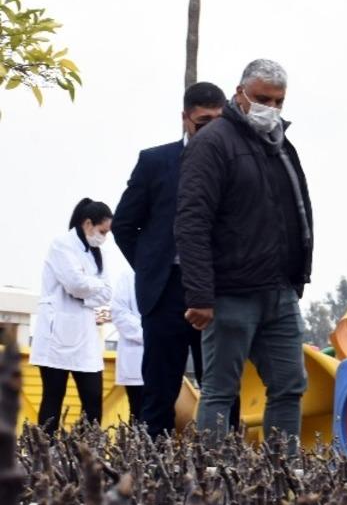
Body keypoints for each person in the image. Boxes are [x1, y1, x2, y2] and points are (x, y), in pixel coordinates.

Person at [176, 59, 314, 448]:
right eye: (262, 98)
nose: (271, 107)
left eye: (278, 100)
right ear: (239, 94)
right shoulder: (213, 143)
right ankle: (210, 479)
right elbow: (192, 222)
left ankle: (282, 476)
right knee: (220, 390)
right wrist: (200, 295)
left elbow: (294, 212)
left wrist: (296, 276)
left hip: (280, 292)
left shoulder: (280, 145)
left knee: (290, 386)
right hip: (230, 293)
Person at [113, 81, 228, 436]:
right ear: (185, 119)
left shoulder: (234, 162)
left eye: (218, 121)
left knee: (223, 392)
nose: (210, 129)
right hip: (165, 292)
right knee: (159, 393)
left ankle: (224, 475)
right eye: (202, 121)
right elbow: (124, 225)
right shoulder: (155, 162)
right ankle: (152, 478)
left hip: (219, 290)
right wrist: (151, 269)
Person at [30, 199, 114, 432]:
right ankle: (47, 456)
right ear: (88, 223)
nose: (104, 237)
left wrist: (85, 293)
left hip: (84, 335)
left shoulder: (99, 254)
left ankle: (85, 454)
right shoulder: (61, 244)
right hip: (56, 335)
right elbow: (74, 284)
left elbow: (106, 292)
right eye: (102, 231)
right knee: (53, 399)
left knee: (93, 400)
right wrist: (88, 291)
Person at [110, 268, 145, 421]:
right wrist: (152, 335)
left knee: (163, 409)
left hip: (164, 357)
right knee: (137, 410)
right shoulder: (128, 275)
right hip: (136, 355)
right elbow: (119, 314)